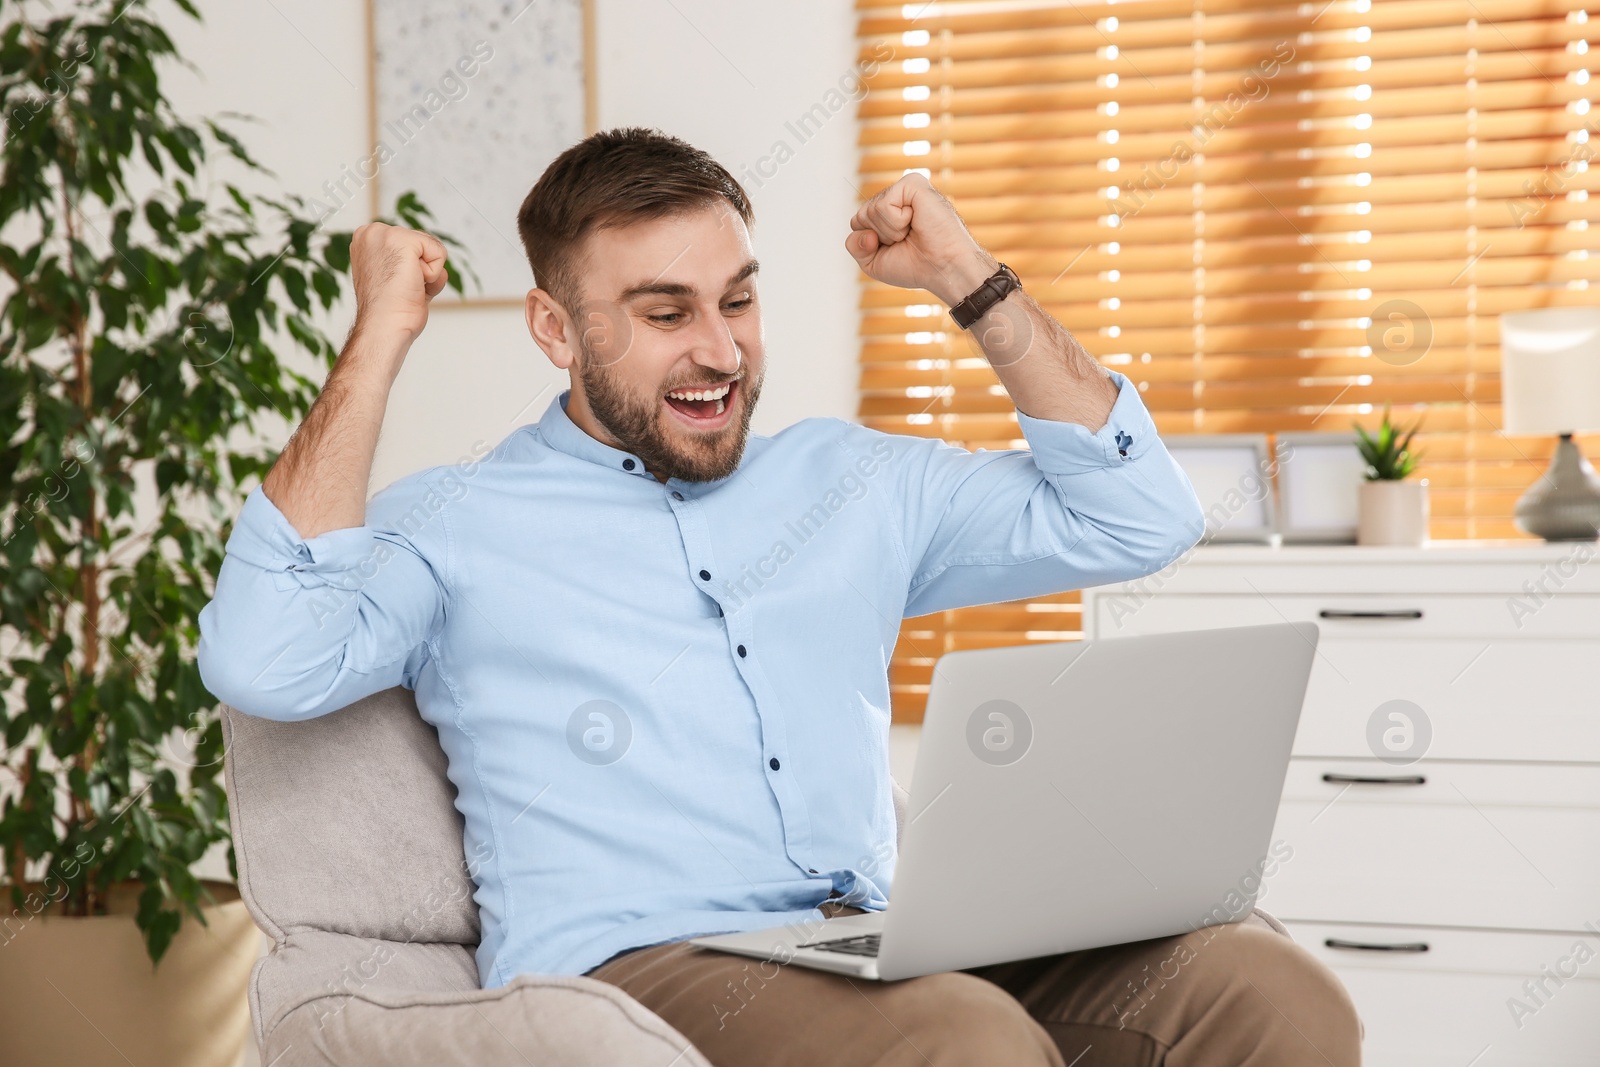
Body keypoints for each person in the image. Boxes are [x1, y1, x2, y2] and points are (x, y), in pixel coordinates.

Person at [198, 127, 1359, 1065]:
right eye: (666, 315)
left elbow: (1139, 516)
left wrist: (968, 275)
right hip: (645, 958)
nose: (722, 350)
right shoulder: (453, 521)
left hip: (880, 936)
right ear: (556, 329)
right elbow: (267, 658)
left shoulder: (850, 480)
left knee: (1267, 991)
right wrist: (381, 336)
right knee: (961, 1039)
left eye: (737, 301)